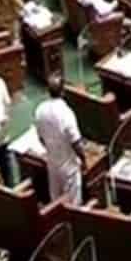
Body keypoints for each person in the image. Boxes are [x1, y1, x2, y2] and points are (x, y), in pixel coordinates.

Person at [34, 76, 87, 204]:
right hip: (69, 167)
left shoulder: (40, 110)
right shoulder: (66, 113)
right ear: (63, 92)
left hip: (52, 163)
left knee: (56, 201)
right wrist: (84, 160)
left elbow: (41, 138)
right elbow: (75, 143)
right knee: (74, 203)